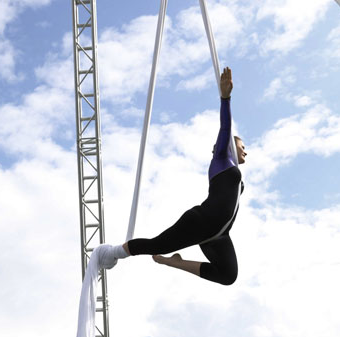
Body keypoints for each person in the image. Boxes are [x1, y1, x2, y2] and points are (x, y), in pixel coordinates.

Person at [102, 67, 247, 285]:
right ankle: (114, 252)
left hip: (218, 235)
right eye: (241, 145)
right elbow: (225, 127)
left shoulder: (234, 172)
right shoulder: (220, 160)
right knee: (156, 244)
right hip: (201, 221)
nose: (246, 150)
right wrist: (225, 98)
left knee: (228, 276)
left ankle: (175, 262)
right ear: (228, 146)